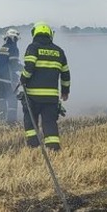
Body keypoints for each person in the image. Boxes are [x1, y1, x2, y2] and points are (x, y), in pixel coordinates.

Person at [19, 22, 70, 151]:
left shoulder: (33, 48)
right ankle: (53, 148)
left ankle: (34, 147)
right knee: (49, 122)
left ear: (35, 33)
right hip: (51, 97)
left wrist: (23, 79)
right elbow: (65, 75)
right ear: (49, 34)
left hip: (33, 96)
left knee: (31, 121)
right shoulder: (59, 52)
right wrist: (65, 92)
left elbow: (29, 67)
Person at [0, 28, 21, 123]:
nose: (16, 41)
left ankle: (1, 117)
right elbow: (14, 65)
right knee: (12, 98)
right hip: (7, 78)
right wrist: (25, 69)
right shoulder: (13, 48)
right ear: (13, 38)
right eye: (16, 39)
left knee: (2, 97)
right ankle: (12, 121)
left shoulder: (3, 47)